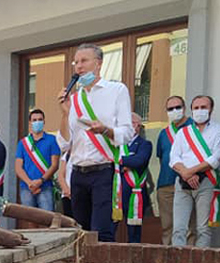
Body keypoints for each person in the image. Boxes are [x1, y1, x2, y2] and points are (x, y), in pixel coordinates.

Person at [57, 42, 134, 241]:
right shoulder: (74, 98)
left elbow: (127, 133)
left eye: (84, 61)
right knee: (80, 233)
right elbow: (64, 144)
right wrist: (65, 114)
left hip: (104, 171)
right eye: (76, 62)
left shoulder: (116, 90)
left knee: (102, 232)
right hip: (78, 174)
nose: (78, 66)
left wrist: (105, 130)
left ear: (98, 63)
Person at [170, 95, 220, 248]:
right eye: (196, 108)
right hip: (182, 181)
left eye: (204, 107)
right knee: (179, 228)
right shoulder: (183, 132)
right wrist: (185, 174)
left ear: (211, 109)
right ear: (191, 110)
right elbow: (173, 157)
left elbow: (216, 157)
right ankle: (177, 260)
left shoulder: (219, 130)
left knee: (203, 228)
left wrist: (191, 172)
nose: (200, 111)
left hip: (206, 180)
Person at [156, 95, 194, 245]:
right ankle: (168, 257)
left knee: (190, 226)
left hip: (189, 182)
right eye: (170, 109)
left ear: (184, 109)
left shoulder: (194, 127)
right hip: (166, 184)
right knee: (167, 225)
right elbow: (162, 158)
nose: (174, 111)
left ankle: (190, 258)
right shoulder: (164, 133)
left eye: (178, 107)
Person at [115, 112, 152, 243]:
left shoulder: (145, 144)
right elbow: (109, 163)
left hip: (135, 196)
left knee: (134, 234)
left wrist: (121, 161)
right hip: (116, 194)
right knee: (110, 231)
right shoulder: (116, 144)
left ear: (136, 125)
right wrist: (126, 163)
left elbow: (139, 161)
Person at [15, 109, 60, 210]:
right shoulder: (23, 143)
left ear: (44, 121)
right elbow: (18, 167)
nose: (37, 122)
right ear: (30, 122)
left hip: (45, 186)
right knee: (29, 220)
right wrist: (30, 183)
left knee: (47, 219)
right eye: (34, 120)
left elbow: (55, 165)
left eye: (40, 119)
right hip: (26, 187)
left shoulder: (52, 140)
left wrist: (40, 181)